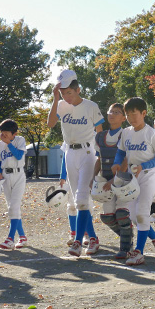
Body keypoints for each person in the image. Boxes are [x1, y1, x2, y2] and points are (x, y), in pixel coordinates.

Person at [47, 69, 104, 256]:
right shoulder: (61, 105)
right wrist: (55, 99)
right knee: (79, 201)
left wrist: (102, 157)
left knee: (81, 199)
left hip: (88, 153)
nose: (66, 97)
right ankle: (92, 238)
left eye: (69, 93)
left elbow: (100, 132)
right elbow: (50, 124)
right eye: (63, 93)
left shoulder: (91, 106)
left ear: (78, 90)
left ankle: (78, 242)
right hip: (70, 153)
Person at [111, 97, 155, 265]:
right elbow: (121, 152)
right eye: (127, 114)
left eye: (133, 114)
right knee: (135, 217)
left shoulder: (152, 133)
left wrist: (145, 165)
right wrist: (116, 163)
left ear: (143, 113)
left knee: (142, 214)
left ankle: (138, 252)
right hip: (131, 177)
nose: (130, 118)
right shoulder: (126, 132)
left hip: (148, 175)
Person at [93, 103, 132, 259]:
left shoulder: (127, 134)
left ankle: (125, 248)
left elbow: (126, 159)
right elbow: (99, 159)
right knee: (108, 217)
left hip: (123, 181)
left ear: (123, 118)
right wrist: (93, 178)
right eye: (111, 111)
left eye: (117, 112)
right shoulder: (100, 136)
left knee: (122, 214)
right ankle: (128, 237)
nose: (112, 114)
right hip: (106, 181)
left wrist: (116, 179)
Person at [0, 119, 28, 249]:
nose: (3, 135)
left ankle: (10, 239)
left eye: (6, 133)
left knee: (14, 206)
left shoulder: (20, 140)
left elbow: (19, 156)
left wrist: (9, 143)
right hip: (6, 176)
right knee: (11, 208)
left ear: (14, 133)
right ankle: (22, 237)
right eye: (2, 133)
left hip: (18, 175)